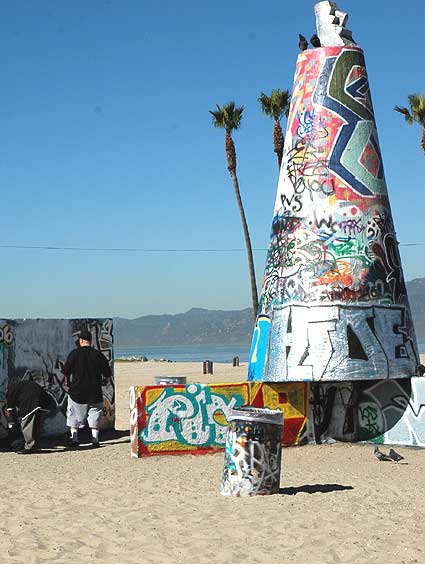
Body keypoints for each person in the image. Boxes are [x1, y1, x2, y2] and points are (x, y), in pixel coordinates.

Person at [63, 329, 112, 449]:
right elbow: (107, 373)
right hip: (95, 392)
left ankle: (75, 439)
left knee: (73, 415)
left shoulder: (74, 354)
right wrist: (104, 381)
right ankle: (95, 439)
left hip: (77, 392)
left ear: (81, 341)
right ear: (90, 341)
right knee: (94, 415)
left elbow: (66, 371)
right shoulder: (98, 355)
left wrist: (68, 382)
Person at [5, 379, 52, 454]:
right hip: (43, 401)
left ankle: (29, 446)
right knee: (37, 425)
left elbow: (9, 408)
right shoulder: (22, 384)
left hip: (31, 402)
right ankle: (35, 445)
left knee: (27, 425)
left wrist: (9, 416)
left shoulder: (11, 389)